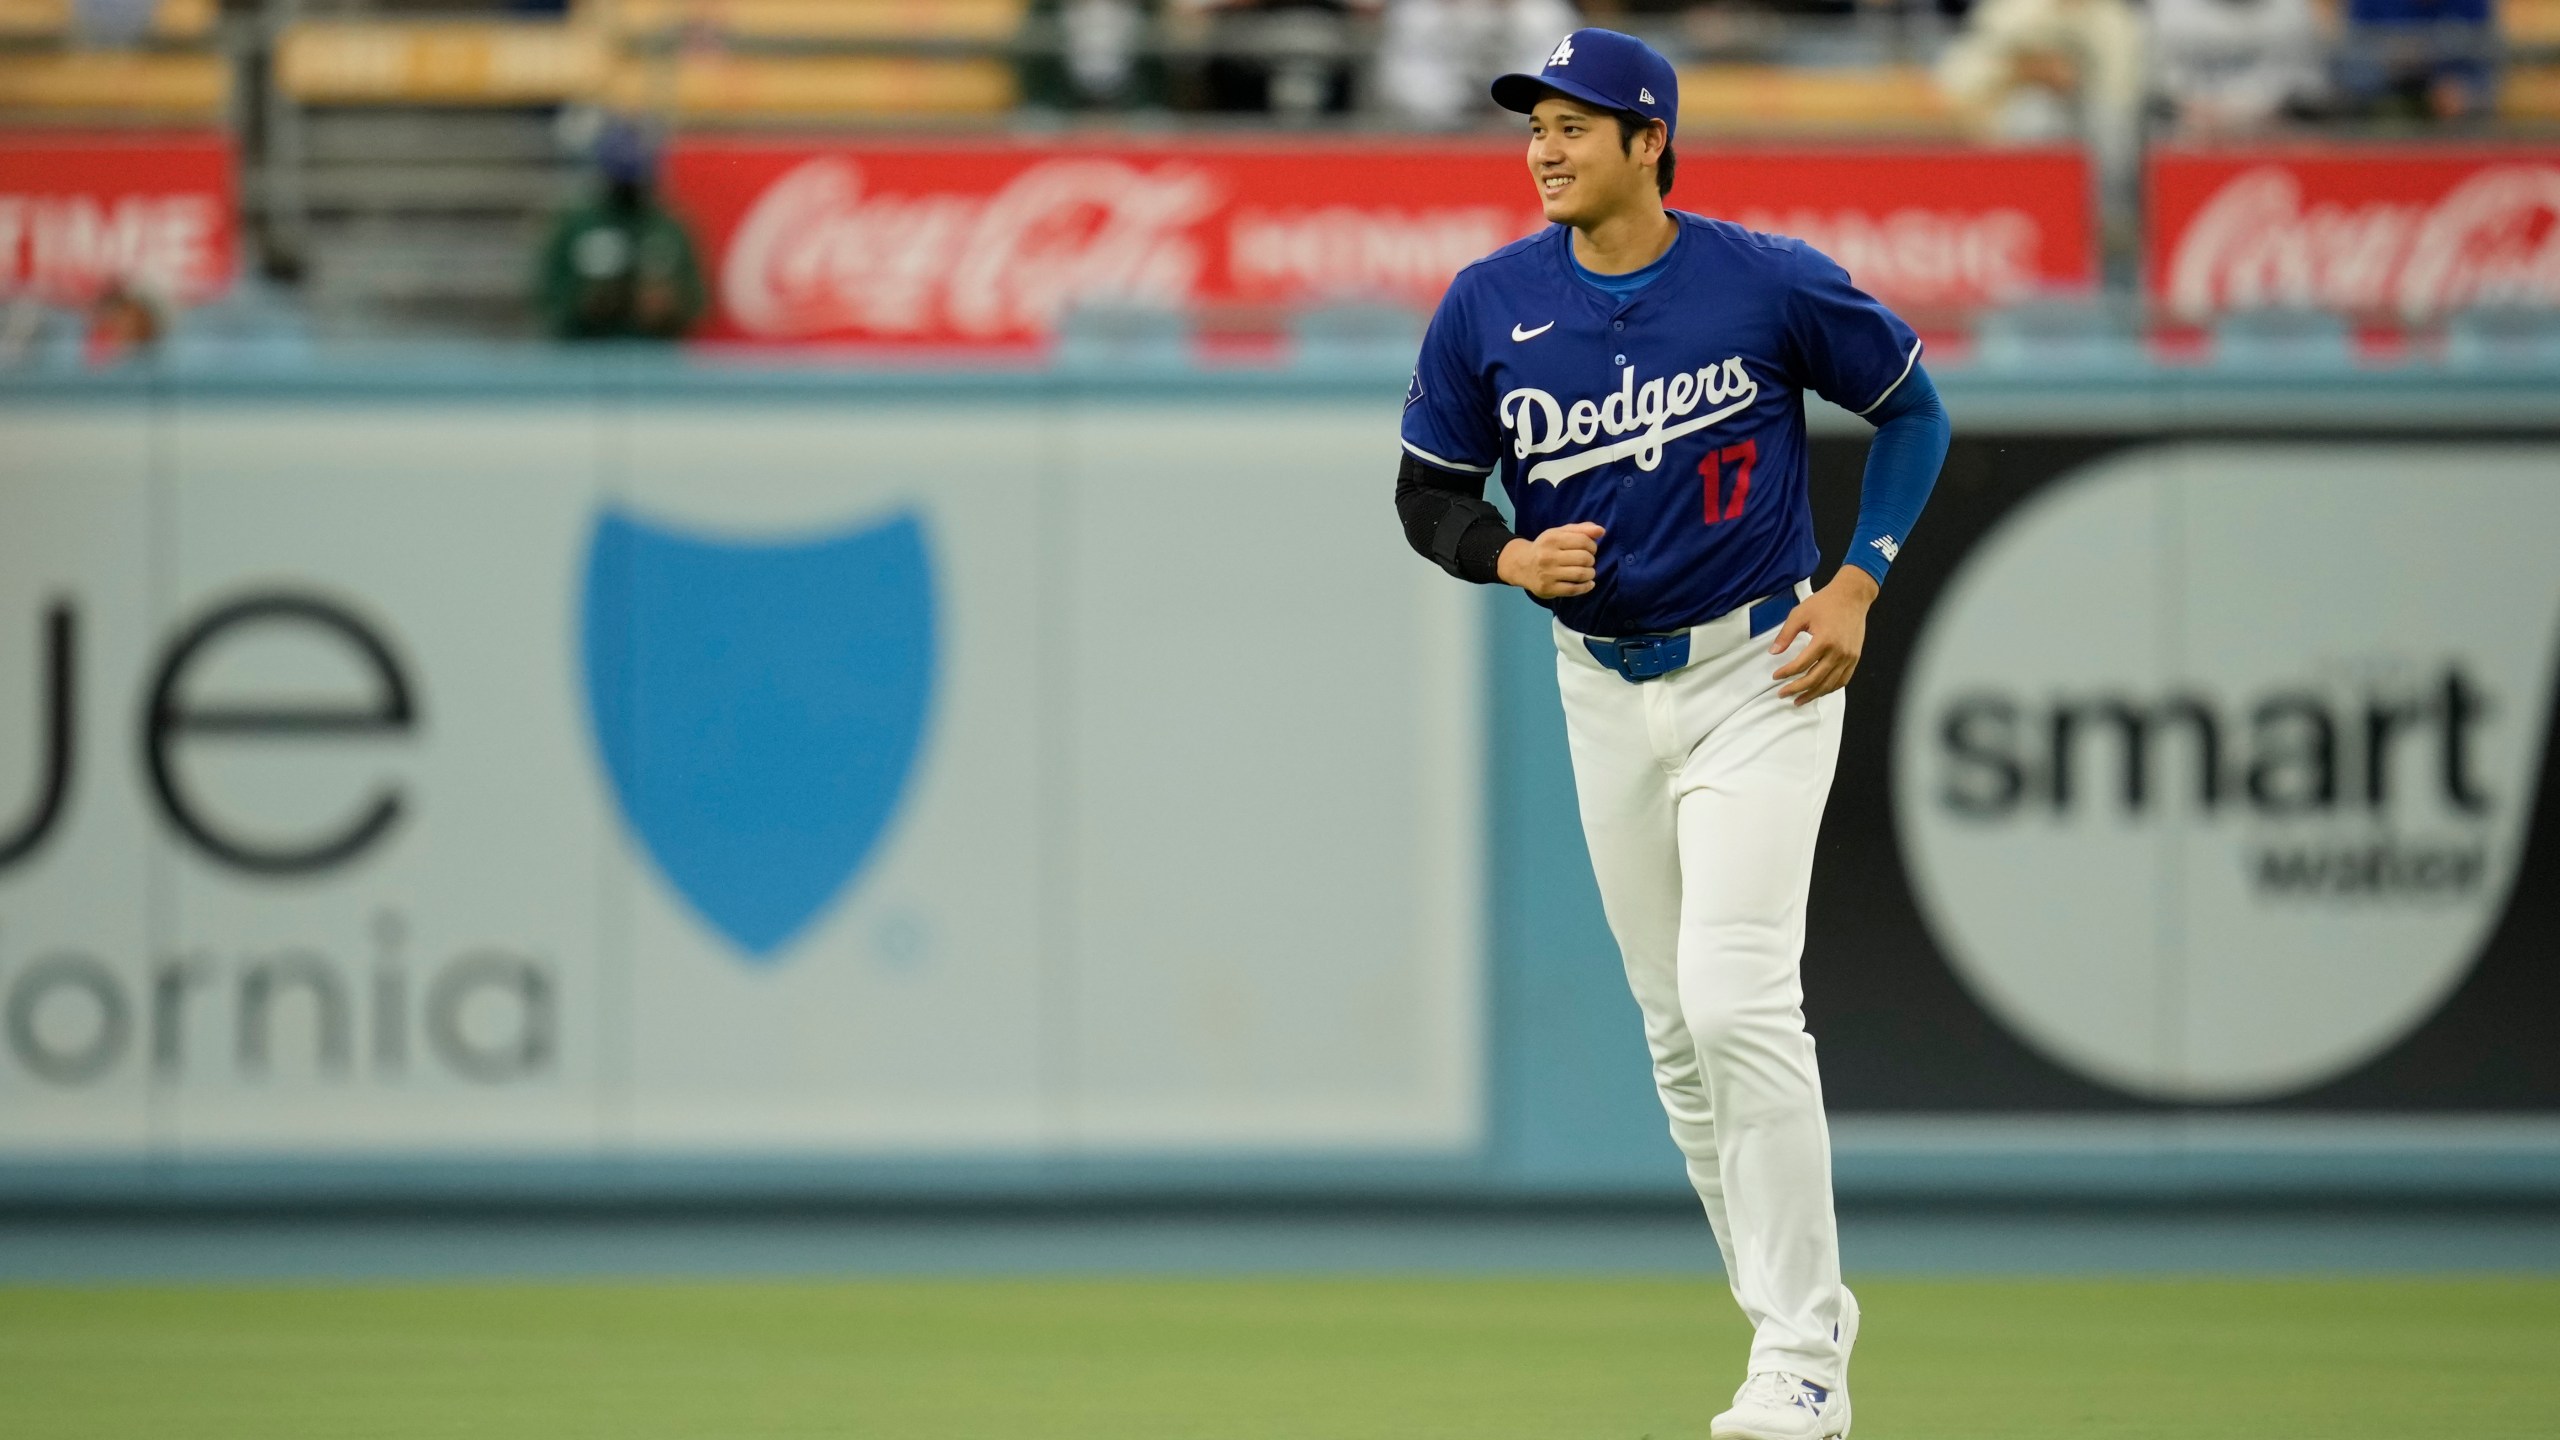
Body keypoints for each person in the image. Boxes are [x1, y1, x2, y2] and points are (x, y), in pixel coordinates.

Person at [1392, 29, 1949, 1440]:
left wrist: (1862, 576)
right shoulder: (1487, 303)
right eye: (1534, 124)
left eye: (1577, 124)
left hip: (1761, 669)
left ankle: (1803, 1359)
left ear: (1651, 141)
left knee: (1734, 996)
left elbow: (1912, 411)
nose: (1544, 146)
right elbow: (1426, 497)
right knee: (1674, 1039)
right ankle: (1788, 1328)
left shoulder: (1758, 278)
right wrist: (1506, 559)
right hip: (1602, 686)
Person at [534, 120, 707, 341]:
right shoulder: (576, 225)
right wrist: (583, 304)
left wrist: (669, 307)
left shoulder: (668, 227)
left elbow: (697, 300)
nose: (628, 192)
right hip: (583, 354)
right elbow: (546, 296)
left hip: (653, 356)